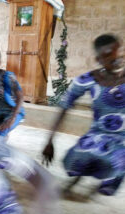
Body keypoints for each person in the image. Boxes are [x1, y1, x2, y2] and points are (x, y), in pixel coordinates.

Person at [42, 34, 124, 197]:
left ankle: (110, 178)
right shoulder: (89, 79)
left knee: (116, 162)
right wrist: (50, 140)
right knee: (74, 161)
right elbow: (64, 107)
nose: (115, 57)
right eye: (108, 54)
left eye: (117, 51)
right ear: (98, 59)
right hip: (97, 135)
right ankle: (78, 178)